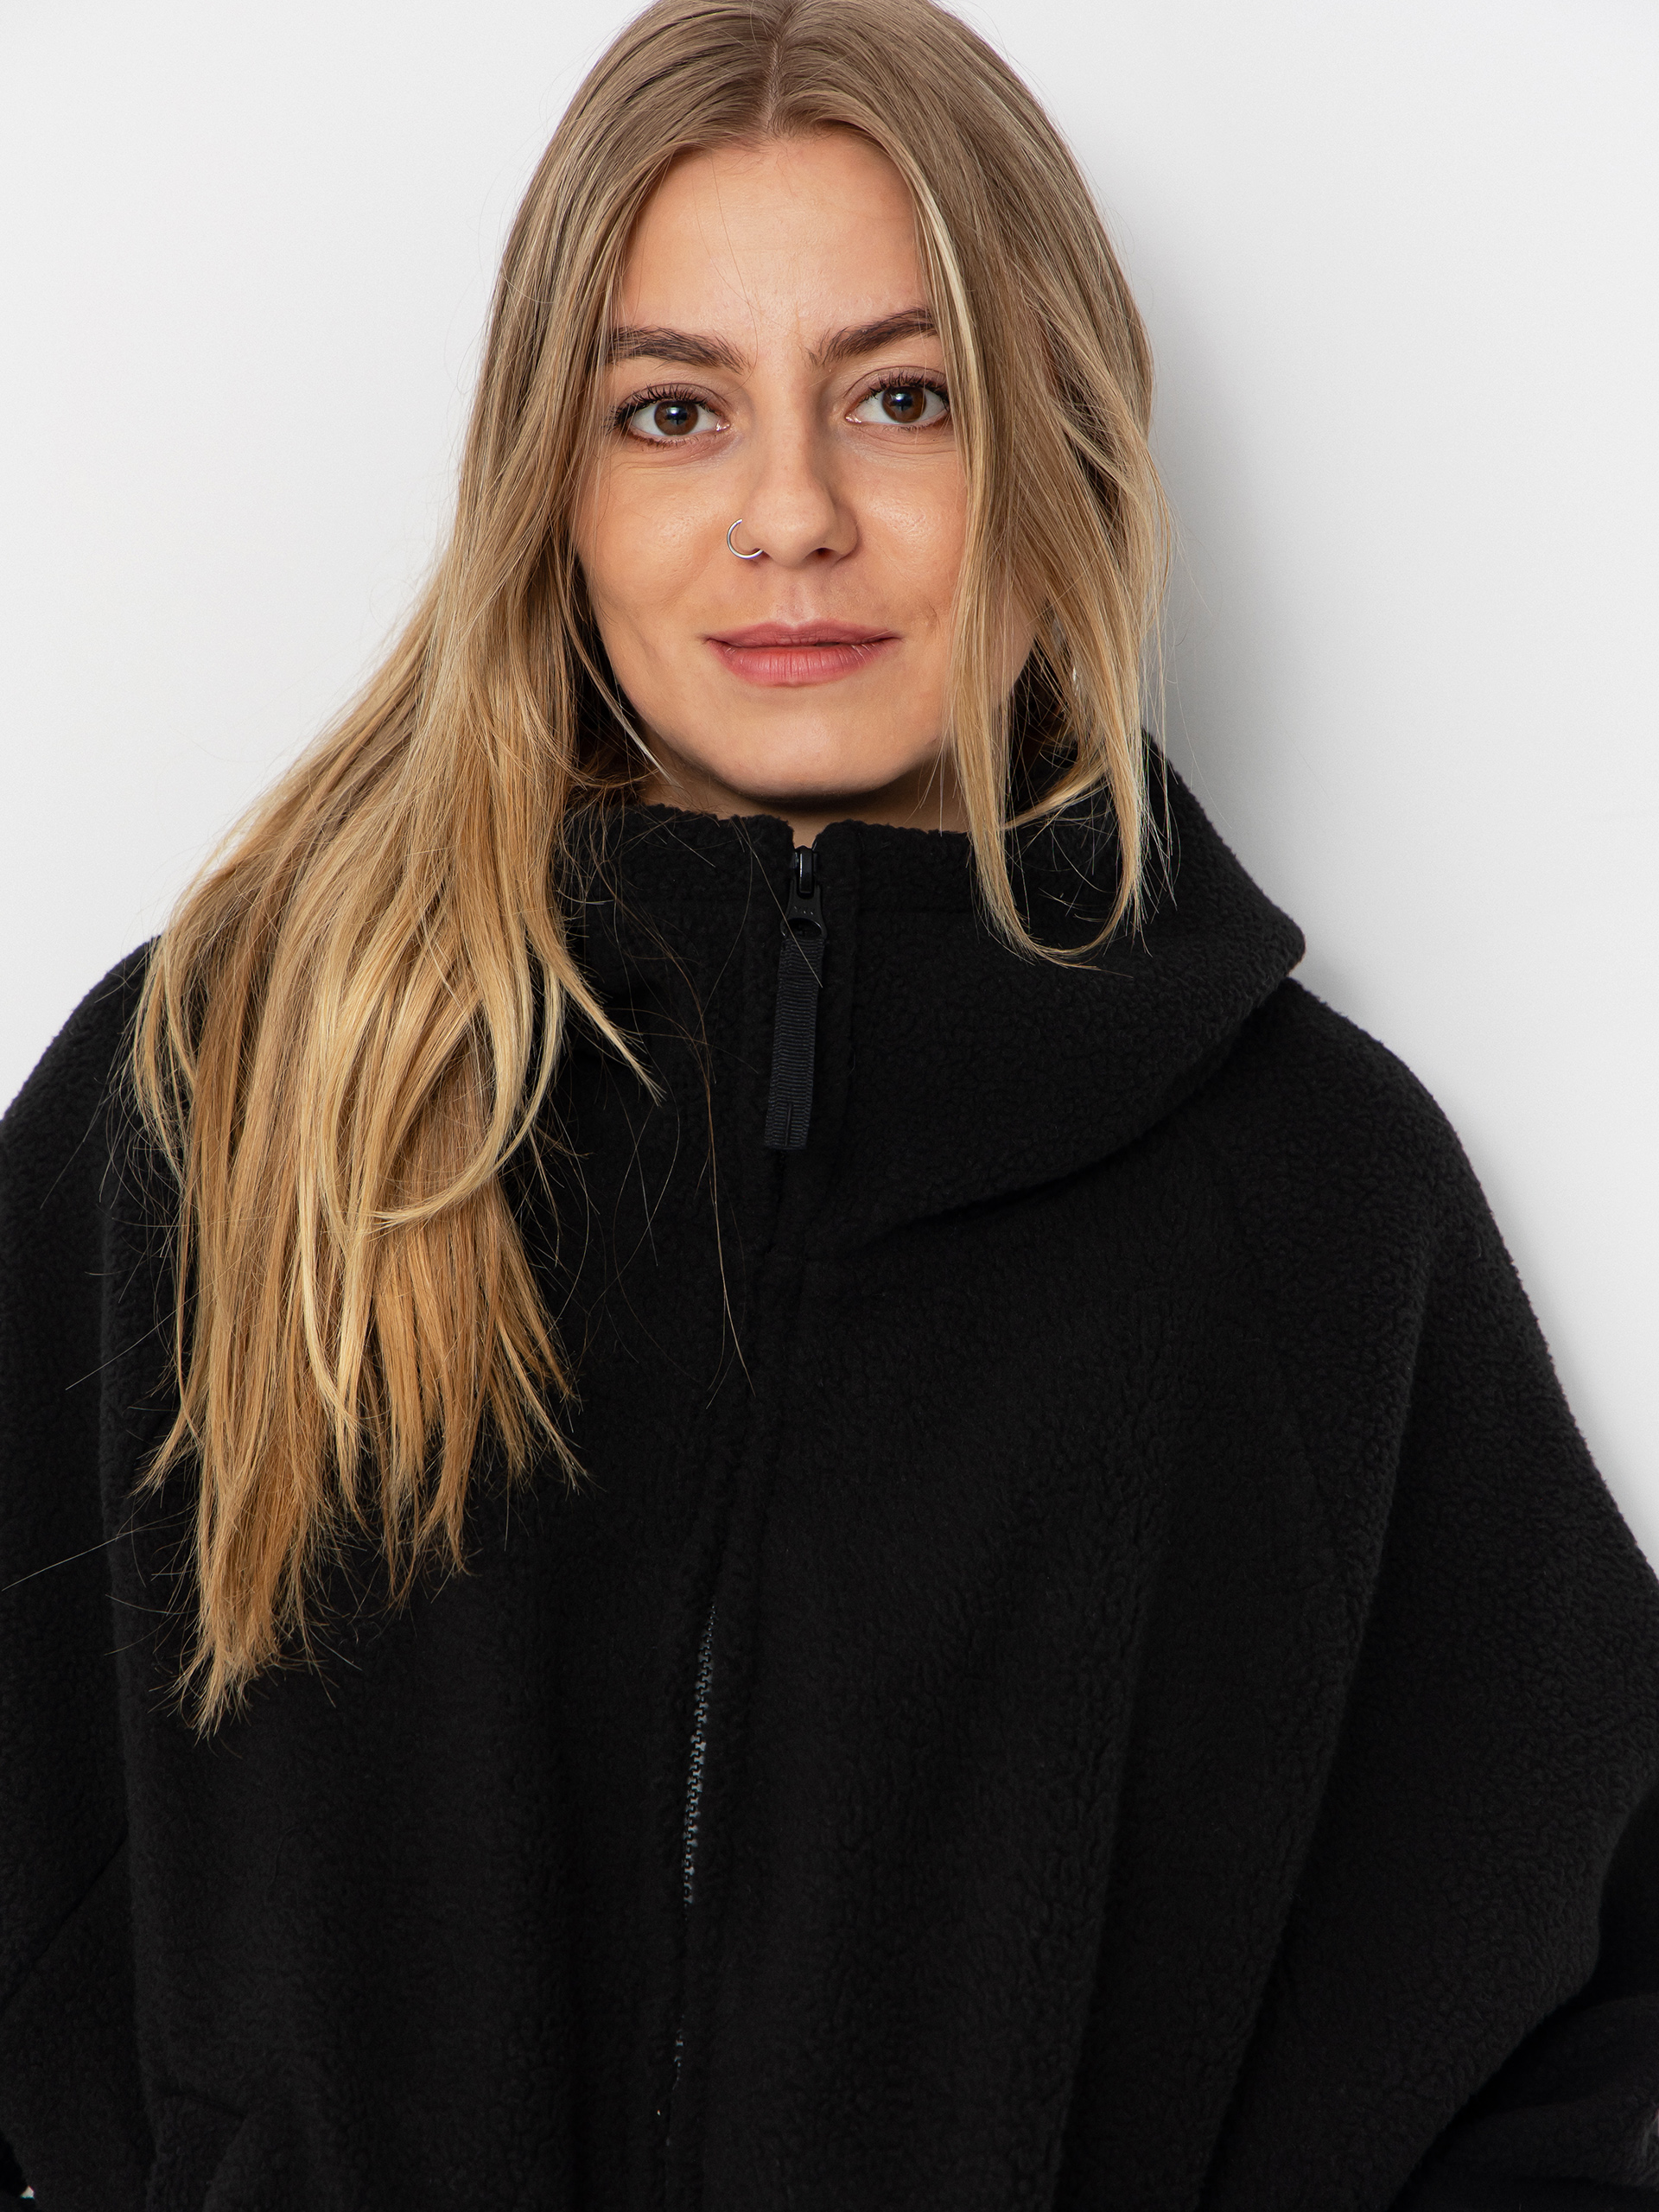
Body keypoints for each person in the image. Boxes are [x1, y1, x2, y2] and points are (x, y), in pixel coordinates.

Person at [3, 0, 1656, 2203]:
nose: (791, 516)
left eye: (902, 397)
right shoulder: (227, 1095)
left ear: (1057, 442)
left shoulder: (1312, 1199)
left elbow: (1558, 2039)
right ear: (553, 481)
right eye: (672, 410)